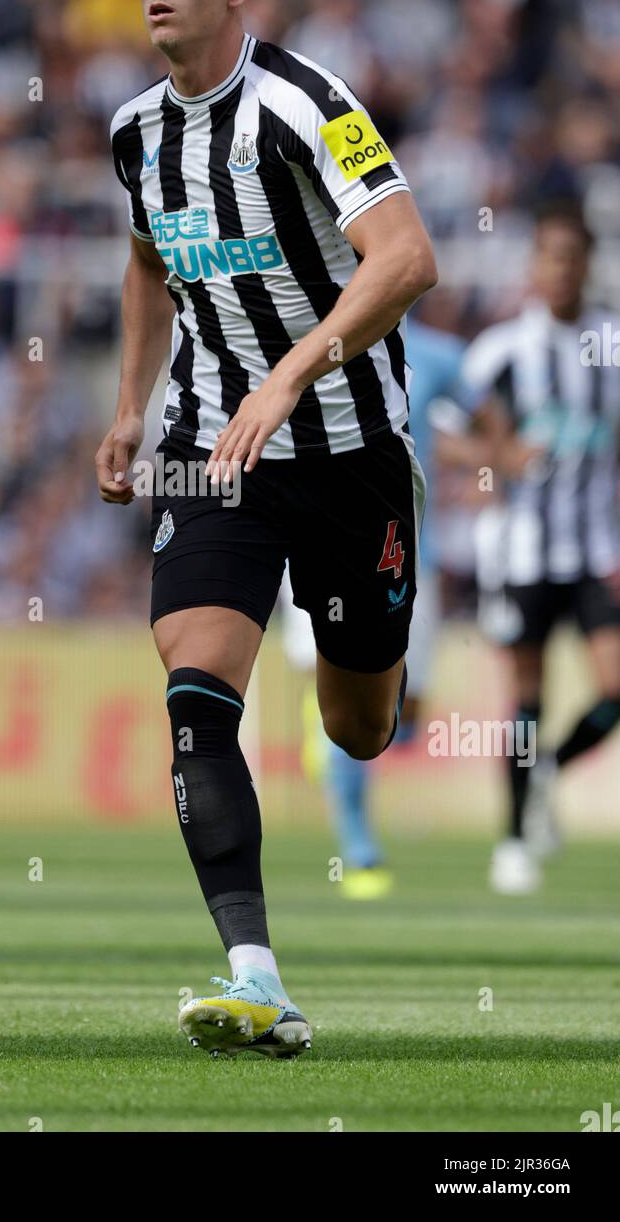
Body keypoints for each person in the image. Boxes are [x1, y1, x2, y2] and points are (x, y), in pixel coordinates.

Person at [94, 0, 437, 1058]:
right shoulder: (134, 132)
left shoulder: (306, 103)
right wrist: (129, 407)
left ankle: (378, 647)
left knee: (358, 728)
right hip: (210, 449)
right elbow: (146, 262)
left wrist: (291, 370)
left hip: (346, 450)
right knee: (195, 687)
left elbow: (405, 255)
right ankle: (254, 975)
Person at [459, 204, 620, 895]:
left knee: (615, 688)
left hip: (595, 548)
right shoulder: (501, 350)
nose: (561, 269)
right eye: (550, 256)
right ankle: (515, 839)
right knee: (526, 694)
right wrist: (498, 456)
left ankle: (550, 767)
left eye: (573, 256)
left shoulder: (611, 344)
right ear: (534, 265)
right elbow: (451, 435)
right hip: (522, 551)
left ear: (588, 265)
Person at [280, 309, 465, 900]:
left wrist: (495, 460)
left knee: (400, 715)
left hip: (409, 545)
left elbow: (477, 421)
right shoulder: (307, 332)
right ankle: (359, 848)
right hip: (316, 532)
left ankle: (329, 731)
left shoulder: (437, 355)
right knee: (347, 696)